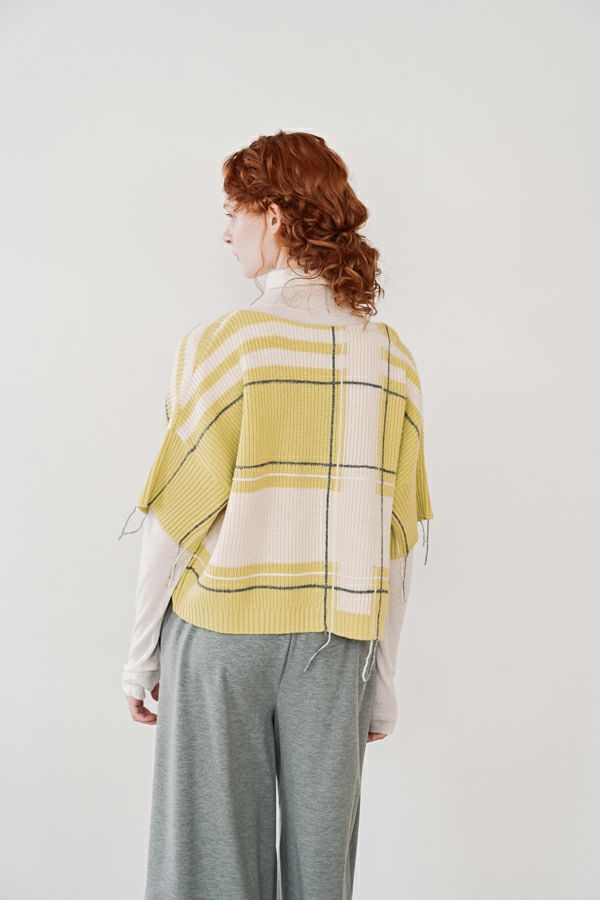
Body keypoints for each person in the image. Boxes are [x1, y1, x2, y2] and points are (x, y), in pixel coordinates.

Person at [119, 130, 434, 900]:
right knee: (323, 873)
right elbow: (396, 541)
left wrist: (139, 654)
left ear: (275, 216)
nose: (227, 231)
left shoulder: (226, 346)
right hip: (339, 643)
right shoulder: (390, 358)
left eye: (234, 211)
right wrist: (384, 676)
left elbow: (175, 519)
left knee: (207, 868)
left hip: (222, 636)